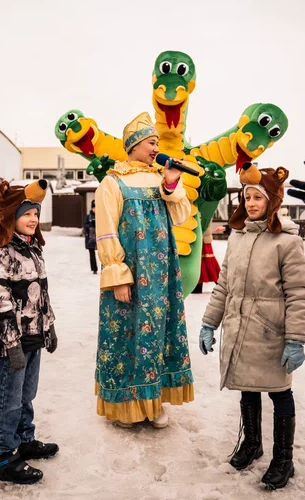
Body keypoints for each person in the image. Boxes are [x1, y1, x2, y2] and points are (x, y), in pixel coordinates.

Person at [199, 163, 305, 490]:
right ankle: (252, 443)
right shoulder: (238, 236)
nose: (250, 203)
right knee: (247, 386)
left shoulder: (286, 241)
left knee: (280, 392)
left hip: (271, 331)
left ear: (272, 200)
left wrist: (296, 339)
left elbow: (298, 293)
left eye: (257, 197)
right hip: (239, 329)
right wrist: (209, 322)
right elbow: (223, 285)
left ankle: (283, 459)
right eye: (246, 196)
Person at [95, 112, 193, 429]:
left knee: (158, 338)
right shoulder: (112, 183)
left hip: (161, 278)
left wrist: (172, 182)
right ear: (135, 144)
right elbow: (106, 233)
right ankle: (126, 406)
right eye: (152, 142)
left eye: (157, 143)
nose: (155, 149)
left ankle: (154, 401)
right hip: (132, 276)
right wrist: (118, 277)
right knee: (126, 339)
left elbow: (180, 216)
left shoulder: (159, 180)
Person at [0, 179, 58, 485]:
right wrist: (11, 344)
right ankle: (6, 456)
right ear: (10, 216)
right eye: (26, 213)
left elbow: (41, 295)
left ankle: (25, 439)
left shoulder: (31, 248)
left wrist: (49, 327)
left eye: (36, 214)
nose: (33, 219)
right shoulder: (1, 251)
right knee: (9, 398)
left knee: (27, 394)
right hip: (14, 340)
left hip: (33, 334)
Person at [84, 199, 98, 274]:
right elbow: (85, 226)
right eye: (94, 208)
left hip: (99, 238)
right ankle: (94, 268)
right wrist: (90, 225)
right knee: (92, 255)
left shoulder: (100, 216)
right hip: (90, 239)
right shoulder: (88, 217)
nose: (95, 209)